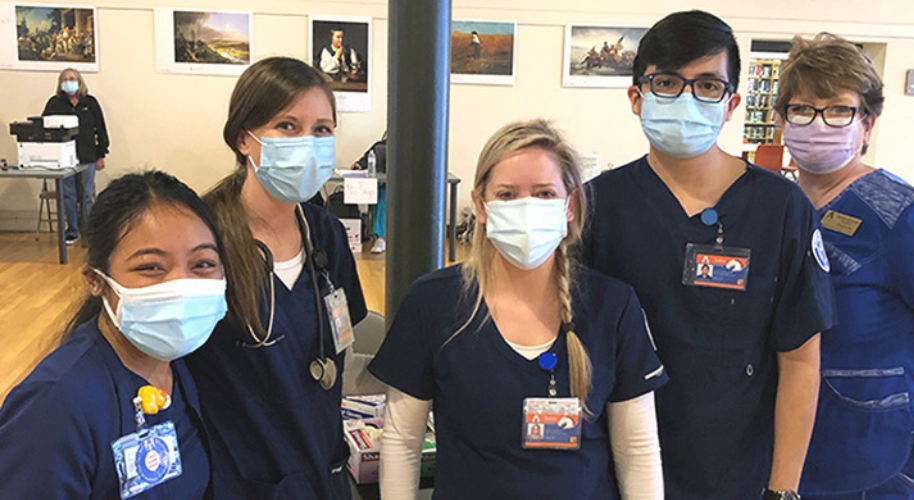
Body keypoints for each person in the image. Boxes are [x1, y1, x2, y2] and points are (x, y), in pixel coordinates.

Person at [582, 11, 834, 500]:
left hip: (732, 470)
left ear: (732, 103)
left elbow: (801, 361)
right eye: (667, 82)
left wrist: (783, 491)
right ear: (637, 97)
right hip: (613, 469)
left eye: (707, 86)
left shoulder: (780, 208)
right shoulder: (597, 206)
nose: (686, 98)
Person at [370, 120, 668, 499]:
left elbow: (638, 451)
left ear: (570, 205)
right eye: (507, 195)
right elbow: (401, 441)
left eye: (544, 194)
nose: (527, 208)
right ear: (480, 205)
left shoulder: (612, 305)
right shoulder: (434, 304)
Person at [776, 34, 914, 500]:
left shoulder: (903, 216)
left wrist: (907, 393)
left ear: (868, 124)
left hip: (884, 453)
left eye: (838, 110)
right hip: (809, 443)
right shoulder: (782, 205)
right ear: (781, 120)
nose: (818, 124)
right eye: (801, 109)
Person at [185, 56, 371, 499]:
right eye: (287, 126)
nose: (308, 142)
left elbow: (343, 338)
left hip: (322, 465)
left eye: (322, 130)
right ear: (243, 139)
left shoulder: (324, 233)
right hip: (240, 478)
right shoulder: (202, 238)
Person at [0, 171, 228, 498]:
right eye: (151, 267)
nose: (181, 286)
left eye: (203, 264)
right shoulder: (55, 404)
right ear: (96, 280)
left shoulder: (176, 366)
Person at [43, 67, 110, 245]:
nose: (69, 81)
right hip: (64, 157)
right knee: (68, 194)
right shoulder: (54, 103)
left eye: (72, 78)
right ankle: (72, 230)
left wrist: (101, 154)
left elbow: (101, 129)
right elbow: (44, 129)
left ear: (79, 81)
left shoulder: (90, 102)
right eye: (65, 79)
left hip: (87, 155)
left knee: (87, 194)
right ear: (60, 83)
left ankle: (88, 232)